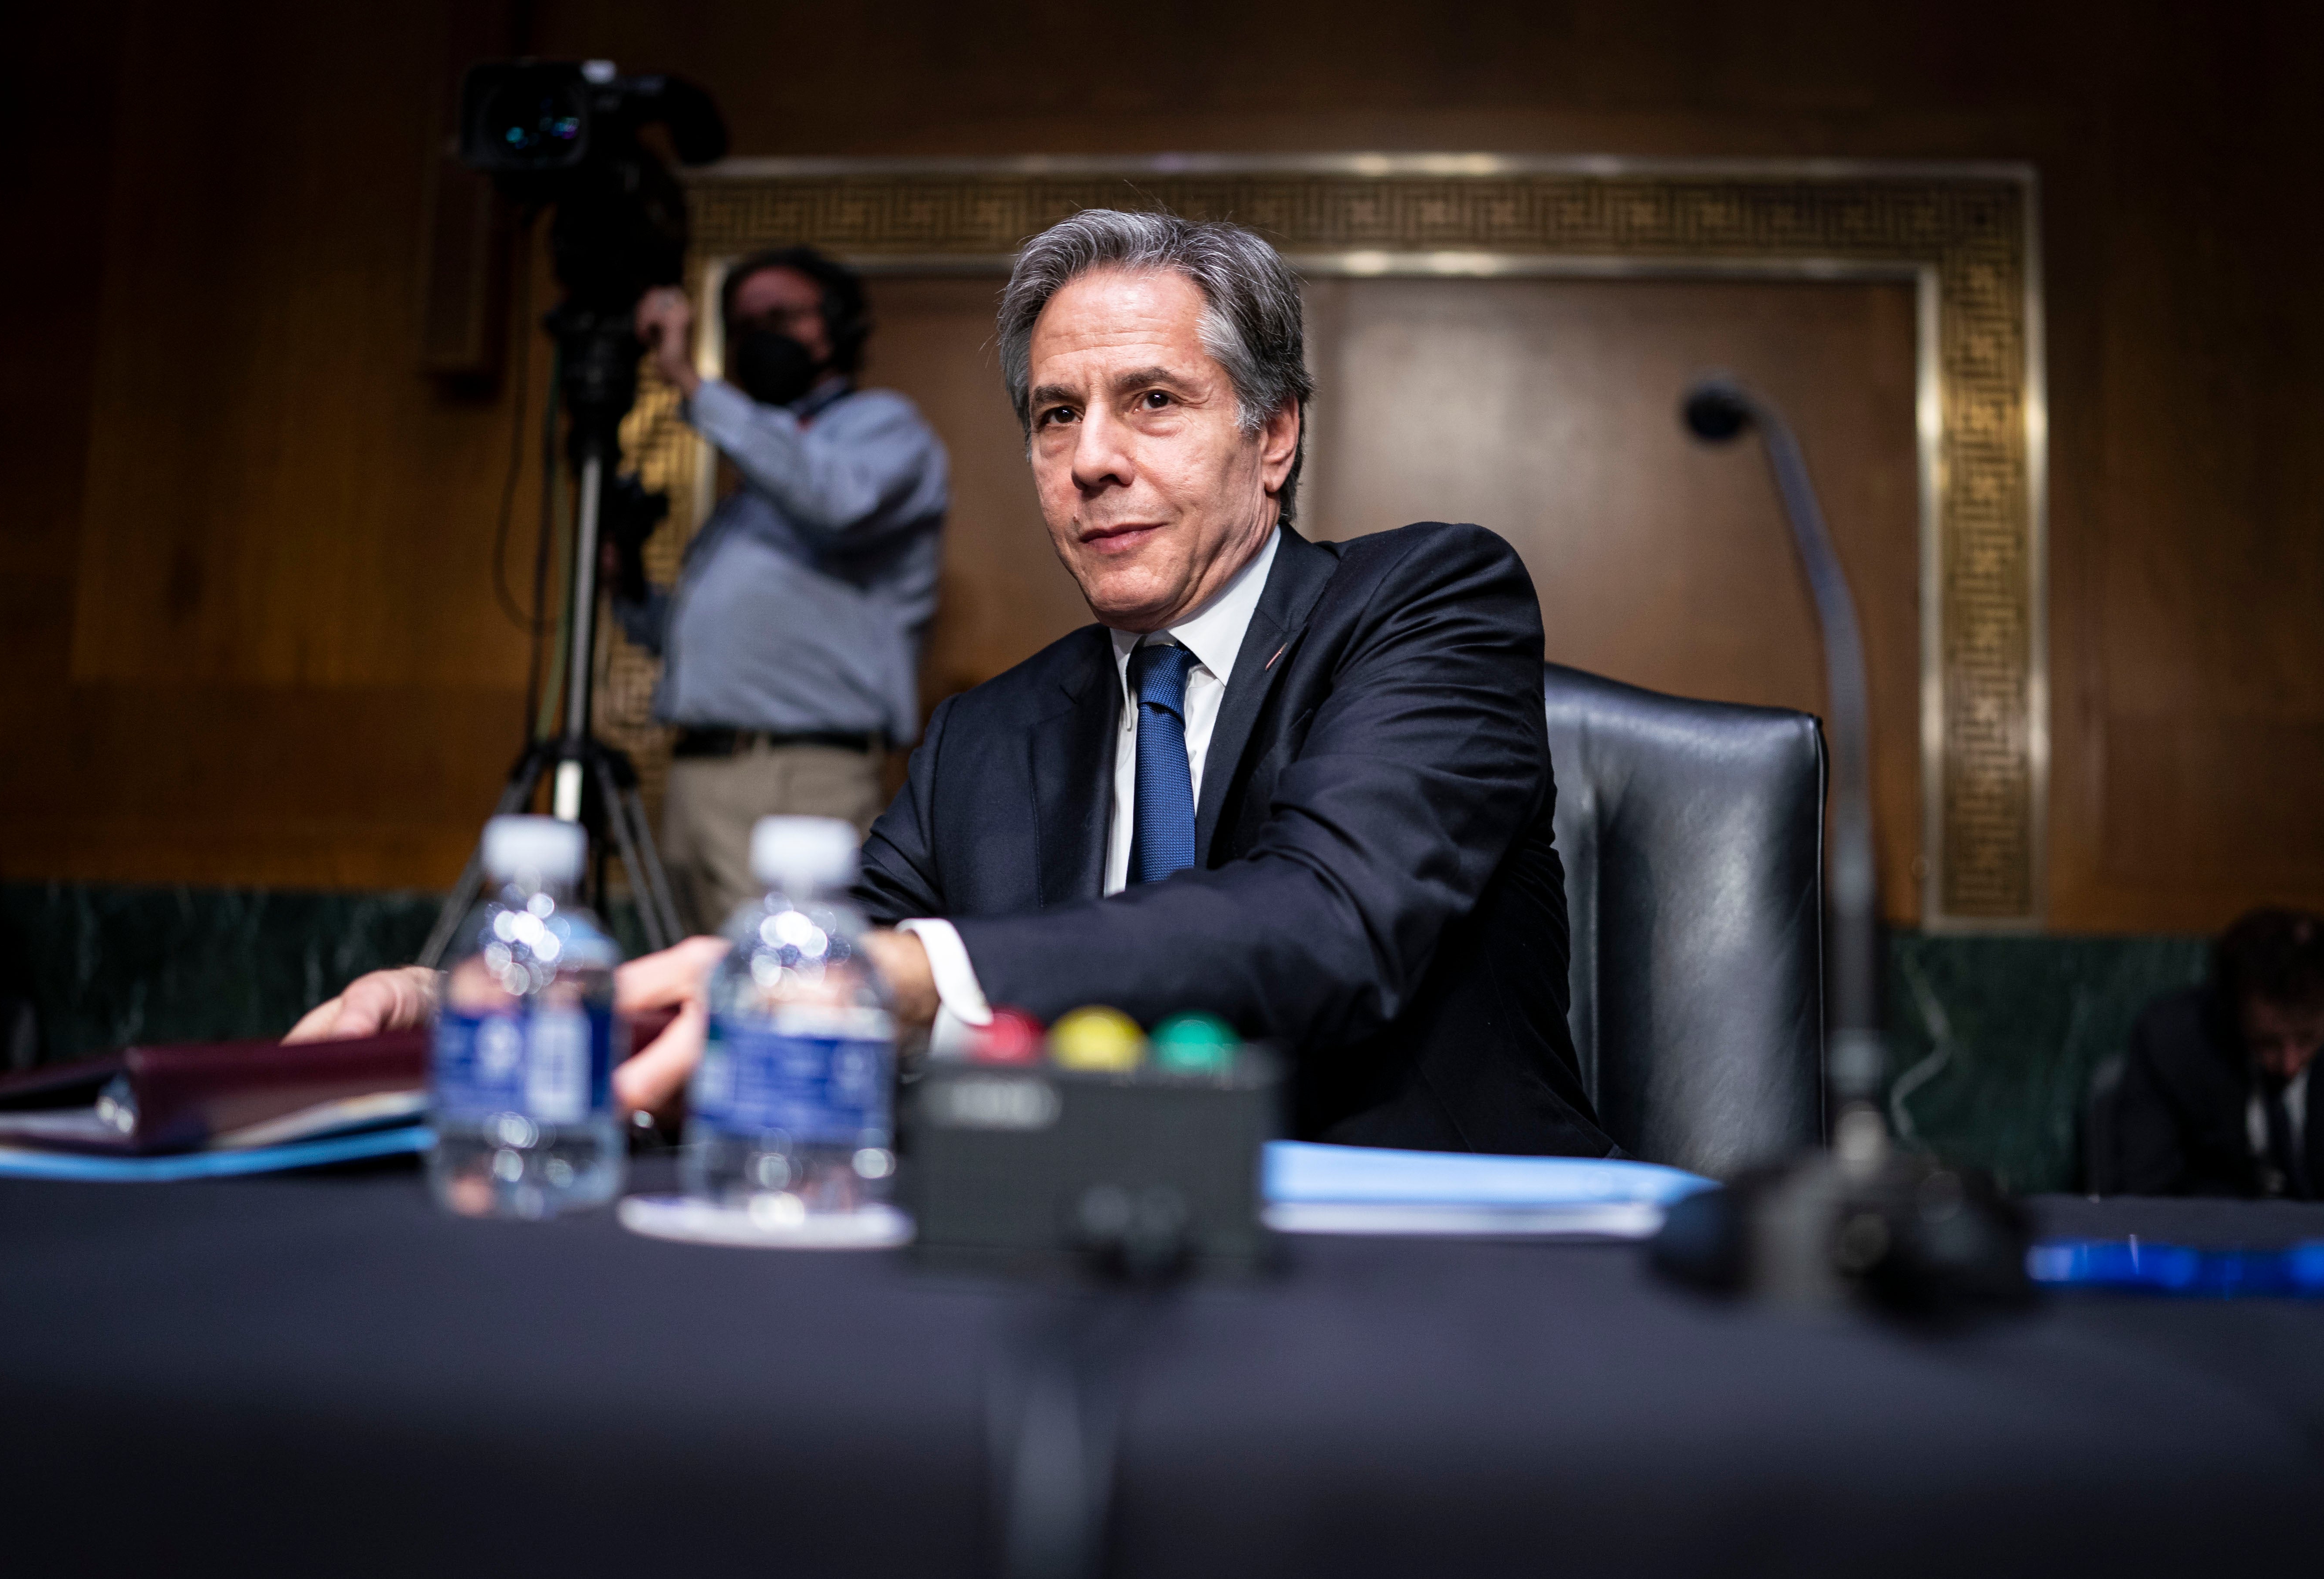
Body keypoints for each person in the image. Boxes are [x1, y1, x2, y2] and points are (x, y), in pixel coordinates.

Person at [299, 211, 1609, 1159]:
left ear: (1272, 437)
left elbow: (1327, 925)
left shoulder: (1428, 603)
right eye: (1053, 415)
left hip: (1436, 1284)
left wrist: (919, 975)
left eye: (1151, 401)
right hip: (1051, 1269)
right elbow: (801, 982)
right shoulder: (988, 734)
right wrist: (516, 1016)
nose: (1088, 460)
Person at [620, 247, 949, 931]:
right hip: (698, 772)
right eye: (741, 326)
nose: (756, 337)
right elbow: (685, 637)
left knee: (791, 1003)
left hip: (798, 776)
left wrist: (689, 380)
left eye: (778, 315)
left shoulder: (880, 429)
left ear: (838, 326)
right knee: (703, 1000)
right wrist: (620, 575)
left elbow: (838, 498)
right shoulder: (757, 480)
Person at [2111, 908, 2324, 1198]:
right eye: (2267, 1043)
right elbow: (2149, 1187)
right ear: (2232, 1011)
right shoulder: (2173, 1042)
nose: (2289, 1064)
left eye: (2307, 1039)